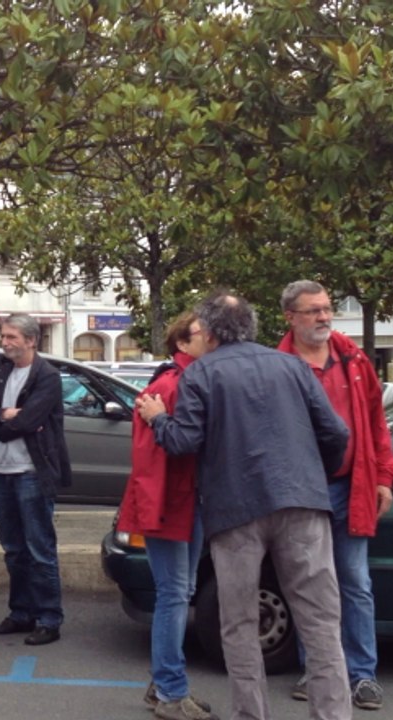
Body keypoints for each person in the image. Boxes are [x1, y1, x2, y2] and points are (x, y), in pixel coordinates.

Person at [137, 291, 351, 720]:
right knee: (321, 623)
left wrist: (158, 419)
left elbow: (184, 442)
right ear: (251, 327)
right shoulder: (292, 366)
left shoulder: (202, 375)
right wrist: (313, 477)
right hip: (302, 502)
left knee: (238, 625)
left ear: (211, 332)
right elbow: (336, 433)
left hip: (235, 511)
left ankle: (251, 715)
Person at [278, 281, 393, 711]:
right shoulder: (279, 365)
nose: (325, 317)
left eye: (327, 309)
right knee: (311, 584)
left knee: (355, 582)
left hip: (352, 486)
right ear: (291, 317)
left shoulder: (355, 359)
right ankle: (318, 672)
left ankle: (363, 674)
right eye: (313, 311)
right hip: (303, 492)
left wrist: (384, 477)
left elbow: (376, 423)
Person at [116, 313, 213, 720]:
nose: (211, 337)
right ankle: (171, 691)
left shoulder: (184, 381)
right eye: (202, 332)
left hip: (181, 503)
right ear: (183, 343)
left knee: (178, 592)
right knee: (175, 594)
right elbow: (159, 457)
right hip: (173, 505)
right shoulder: (173, 385)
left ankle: (164, 684)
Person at [0, 313, 71, 646]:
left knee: (39, 548)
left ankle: (48, 618)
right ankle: (21, 613)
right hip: (0, 472)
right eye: (4, 336)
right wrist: (2, 415)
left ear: (31, 340)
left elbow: (29, 422)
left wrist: (0, 420)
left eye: (12, 336)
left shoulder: (47, 377)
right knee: (13, 549)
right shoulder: (2, 373)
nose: (5, 342)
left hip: (30, 472)